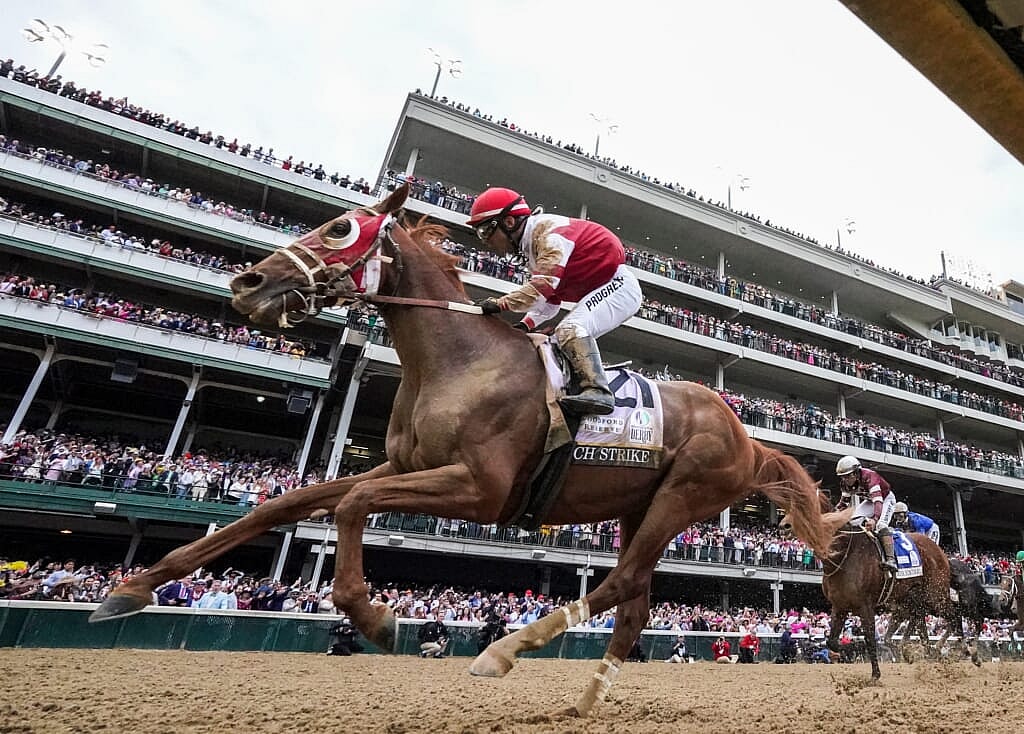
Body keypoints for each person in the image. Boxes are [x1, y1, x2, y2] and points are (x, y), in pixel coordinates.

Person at [467, 187, 643, 415]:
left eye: (485, 231)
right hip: (606, 286)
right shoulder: (532, 245)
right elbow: (551, 302)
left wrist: (500, 303)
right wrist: (525, 325)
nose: (486, 241)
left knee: (570, 329)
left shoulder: (548, 234)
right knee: (557, 341)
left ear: (508, 222)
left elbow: (540, 290)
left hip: (619, 286)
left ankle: (599, 391)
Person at [835, 456, 898, 573]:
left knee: (881, 525)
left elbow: (878, 502)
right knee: (853, 521)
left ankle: (891, 559)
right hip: (870, 501)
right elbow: (843, 504)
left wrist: (874, 519)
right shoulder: (844, 484)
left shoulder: (870, 476)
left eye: (847, 476)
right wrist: (833, 516)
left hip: (885, 499)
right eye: (842, 477)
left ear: (856, 472)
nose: (845, 479)